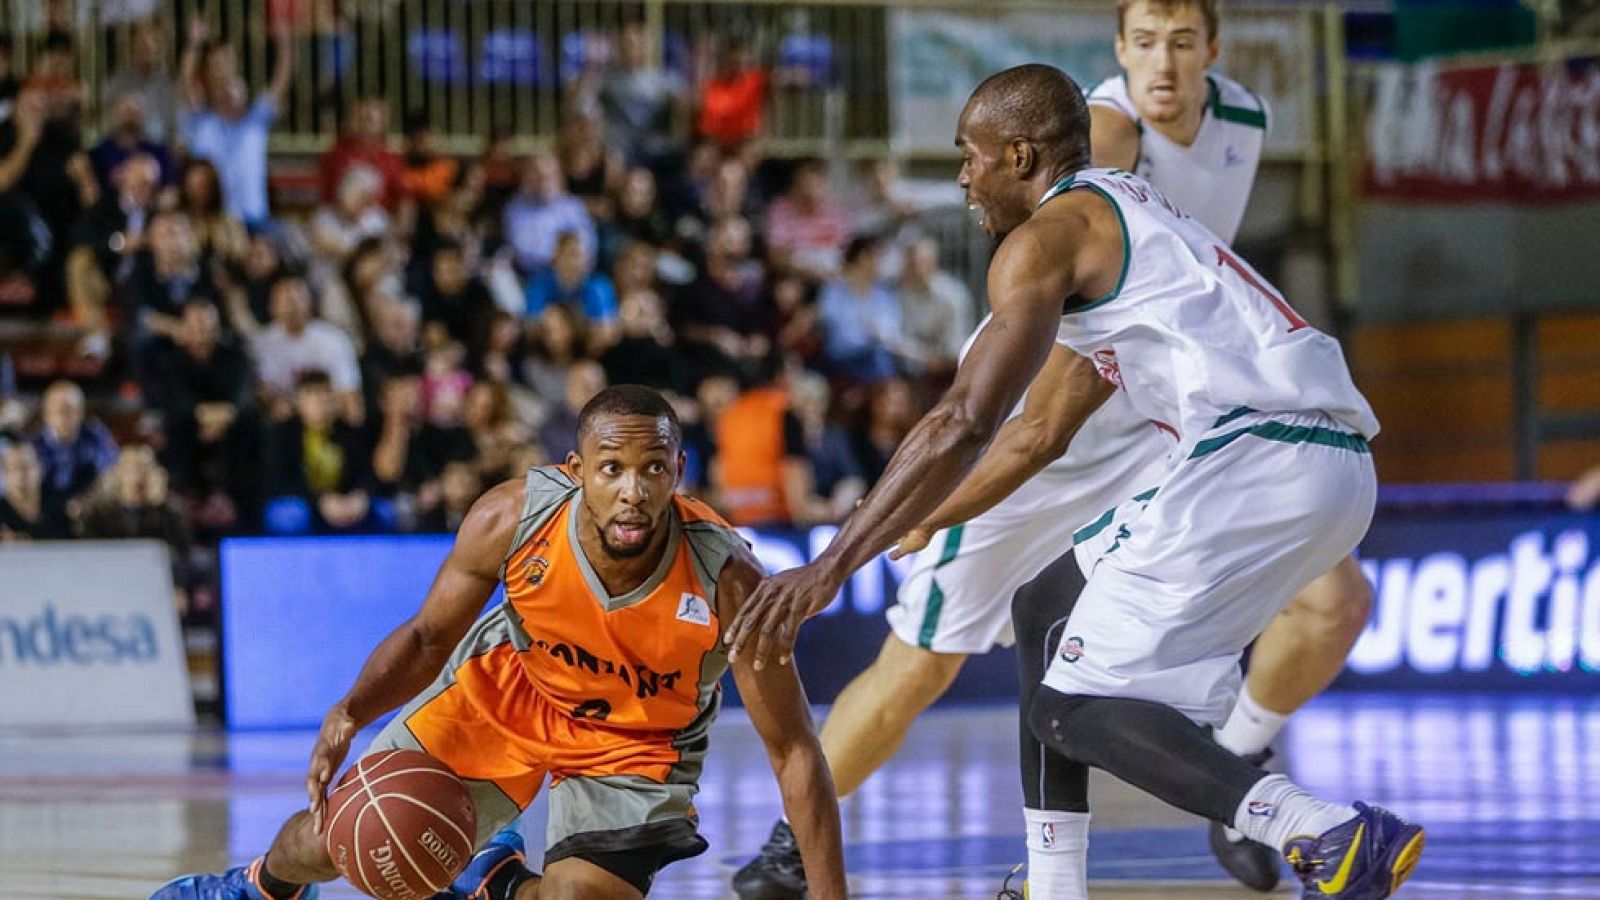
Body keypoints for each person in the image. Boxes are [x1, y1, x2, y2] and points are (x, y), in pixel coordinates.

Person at [726, 63, 1423, 900]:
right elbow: (1037, 435)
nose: (962, 177)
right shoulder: (1130, 221)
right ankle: (1055, 882)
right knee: (1042, 607)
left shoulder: (1043, 242)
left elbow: (963, 420)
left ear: (1018, 157)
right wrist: (931, 519)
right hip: (1331, 464)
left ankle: (1319, 829)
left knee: (1070, 708)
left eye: (969, 155)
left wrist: (832, 563)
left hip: (1255, 457)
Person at [152, 385, 847, 900]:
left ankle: (497, 879)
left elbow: (793, 751)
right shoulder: (510, 518)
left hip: (636, 749)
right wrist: (351, 712)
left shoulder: (730, 583)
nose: (633, 491)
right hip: (503, 697)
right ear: (576, 470)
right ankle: (256, 887)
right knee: (340, 836)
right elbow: (427, 637)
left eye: (653, 470)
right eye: (612, 469)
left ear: (679, 471)